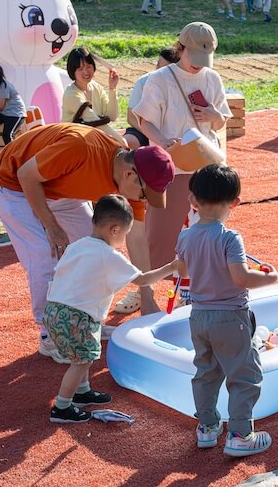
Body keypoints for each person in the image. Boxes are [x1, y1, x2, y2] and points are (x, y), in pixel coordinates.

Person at [0, 124, 176, 362]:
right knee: (46, 254)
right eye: (145, 194)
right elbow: (26, 175)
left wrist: (147, 298)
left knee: (97, 248)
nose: (143, 200)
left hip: (60, 190)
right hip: (13, 184)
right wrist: (51, 226)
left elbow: (136, 238)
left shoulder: (132, 182)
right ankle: (50, 335)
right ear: (129, 174)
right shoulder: (80, 147)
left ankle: (86, 323)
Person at [46, 194, 178, 423]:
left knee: (82, 354)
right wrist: (172, 267)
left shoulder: (77, 245)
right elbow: (142, 280)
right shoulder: (108, 254)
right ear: (115, 230)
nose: (124, 239)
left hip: (55, 310)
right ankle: (62, 406)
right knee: (82, 360)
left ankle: (82, 391)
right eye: (125, 234)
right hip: (78, 315)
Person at [175, 164, 278, 457]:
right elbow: (241, 278)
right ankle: (240, 435)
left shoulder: (186, 236)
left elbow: (182, 269)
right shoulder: (229, 237)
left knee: (206, 373)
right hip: (231, 317)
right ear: (235, 202)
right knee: (244, 375)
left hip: (199, 316)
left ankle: (207, 427)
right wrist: (270, 276)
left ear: (193, 200)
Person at [132, 22, 232, 274]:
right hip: (170, 165)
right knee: (160, 236)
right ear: (180, 47)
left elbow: (221, 121)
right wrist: (163, 142)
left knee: (206, 233)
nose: (198, 63)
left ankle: (197, 287)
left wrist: (213, 114)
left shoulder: (212, 77)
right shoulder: (159, 80)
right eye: (193, 56)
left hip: (205, 165)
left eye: (204, 58)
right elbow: (144, 121)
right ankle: (154, 289)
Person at [114, 46, 180, 316]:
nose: (158, 70)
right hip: (144, 138)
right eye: (157, 64)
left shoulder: (182, 86)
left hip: (168, 146)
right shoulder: (145, 83)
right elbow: (134, 117)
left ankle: (169, 288)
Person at [61, 47, 127, 148]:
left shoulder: (96, 87)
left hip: (93, 141)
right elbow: (95, 122)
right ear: (73, 72)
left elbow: (112, 116)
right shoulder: (72, 94)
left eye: (88, 66)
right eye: (80, 69)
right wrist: (121, 141)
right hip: (73, 144)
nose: (86, 72)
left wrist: (112, 89)